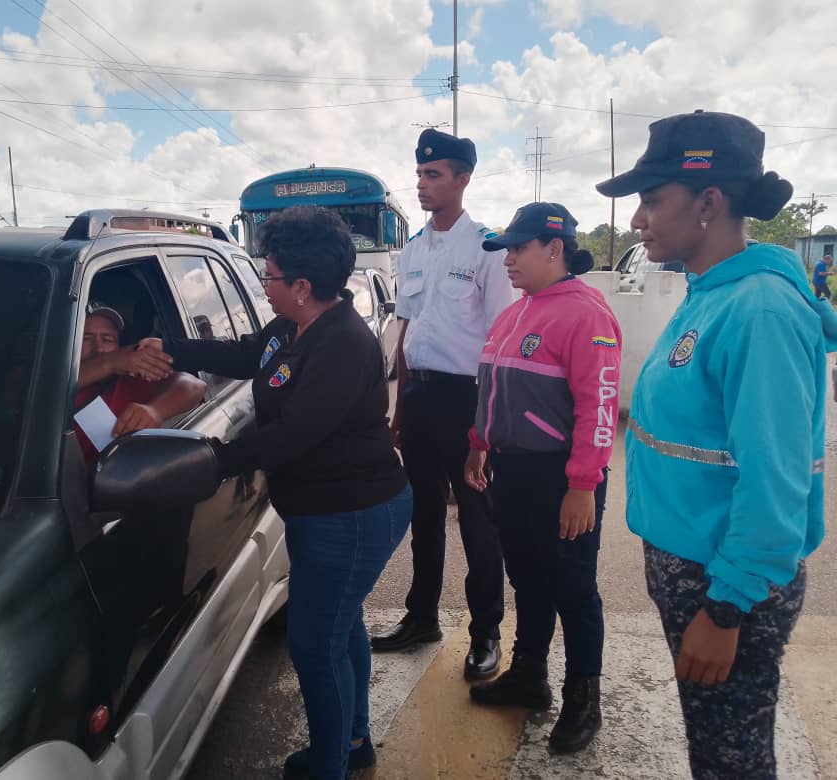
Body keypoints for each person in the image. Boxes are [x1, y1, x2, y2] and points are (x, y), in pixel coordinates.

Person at [596, 110, 837, 778]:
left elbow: (777, 480)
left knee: (732, 759)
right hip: (697, 566)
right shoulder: (711, 289)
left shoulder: (759, 309)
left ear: (708, 202)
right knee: (714, 743)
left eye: (651, 199)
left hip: (725, 583)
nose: (637, 219)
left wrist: (727, 608)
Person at [133, 206, 411, 780]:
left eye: (271, 273)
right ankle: (353, 742)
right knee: (339, 627)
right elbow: (244, 356)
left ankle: (331, 766)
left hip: (353, 514)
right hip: (322, 511)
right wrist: (168, 347)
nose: (264, 281)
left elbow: (293, 435)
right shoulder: (290, 328)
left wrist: (213, 458)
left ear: (302, 286)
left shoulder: (343, 343)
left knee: (315, 645)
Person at [462, 202, 621, 754]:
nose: (507, 259)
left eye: (518, 249)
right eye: (505, 249)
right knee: (528, 578)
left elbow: (599, 406)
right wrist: (479, 443)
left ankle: (583, 698)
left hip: (560, 477)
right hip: (512, 470)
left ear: (555, 249)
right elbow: (492, 389)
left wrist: (583, 485)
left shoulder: (586, 314)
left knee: (573, 589)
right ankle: (530, 674)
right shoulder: (516, 312)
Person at [369, 128, 513, 682]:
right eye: (420, 175)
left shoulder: (487, 249)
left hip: (469, 399)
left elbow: (499, 342)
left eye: (433, 174)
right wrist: (399, 410)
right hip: (421, 397)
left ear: (463, 179)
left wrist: (486, 425)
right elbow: (407, 331)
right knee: (424, 515)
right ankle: (421, 618)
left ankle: (486, 633)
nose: (422, 184)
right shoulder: (411, 250)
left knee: (478, 521)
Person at [73, 301, 205, 466]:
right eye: (86, 338)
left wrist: (156, 411)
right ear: (70, 345)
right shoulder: (50, 381)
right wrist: (109, 362)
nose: (98, 348)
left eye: (107, 339)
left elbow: (195, 385)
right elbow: (51, 381)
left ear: (119, 345)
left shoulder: (130, 380)